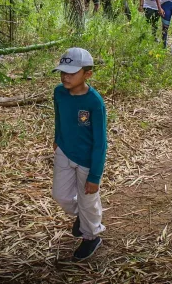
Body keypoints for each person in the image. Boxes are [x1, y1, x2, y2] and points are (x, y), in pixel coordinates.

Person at [52, 47, 107, 260]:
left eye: (72, 72)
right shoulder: (59, 92)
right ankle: (83, 217)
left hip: (87, 159)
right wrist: (57, 138)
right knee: (61, 195)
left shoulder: (94, 103)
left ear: (87, 74)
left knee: (88, 200)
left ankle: (92, 236)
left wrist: (95, 176)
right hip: (65, 151)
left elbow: (101, 142)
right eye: (63, 72)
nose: (65, 76)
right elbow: (58, 116)